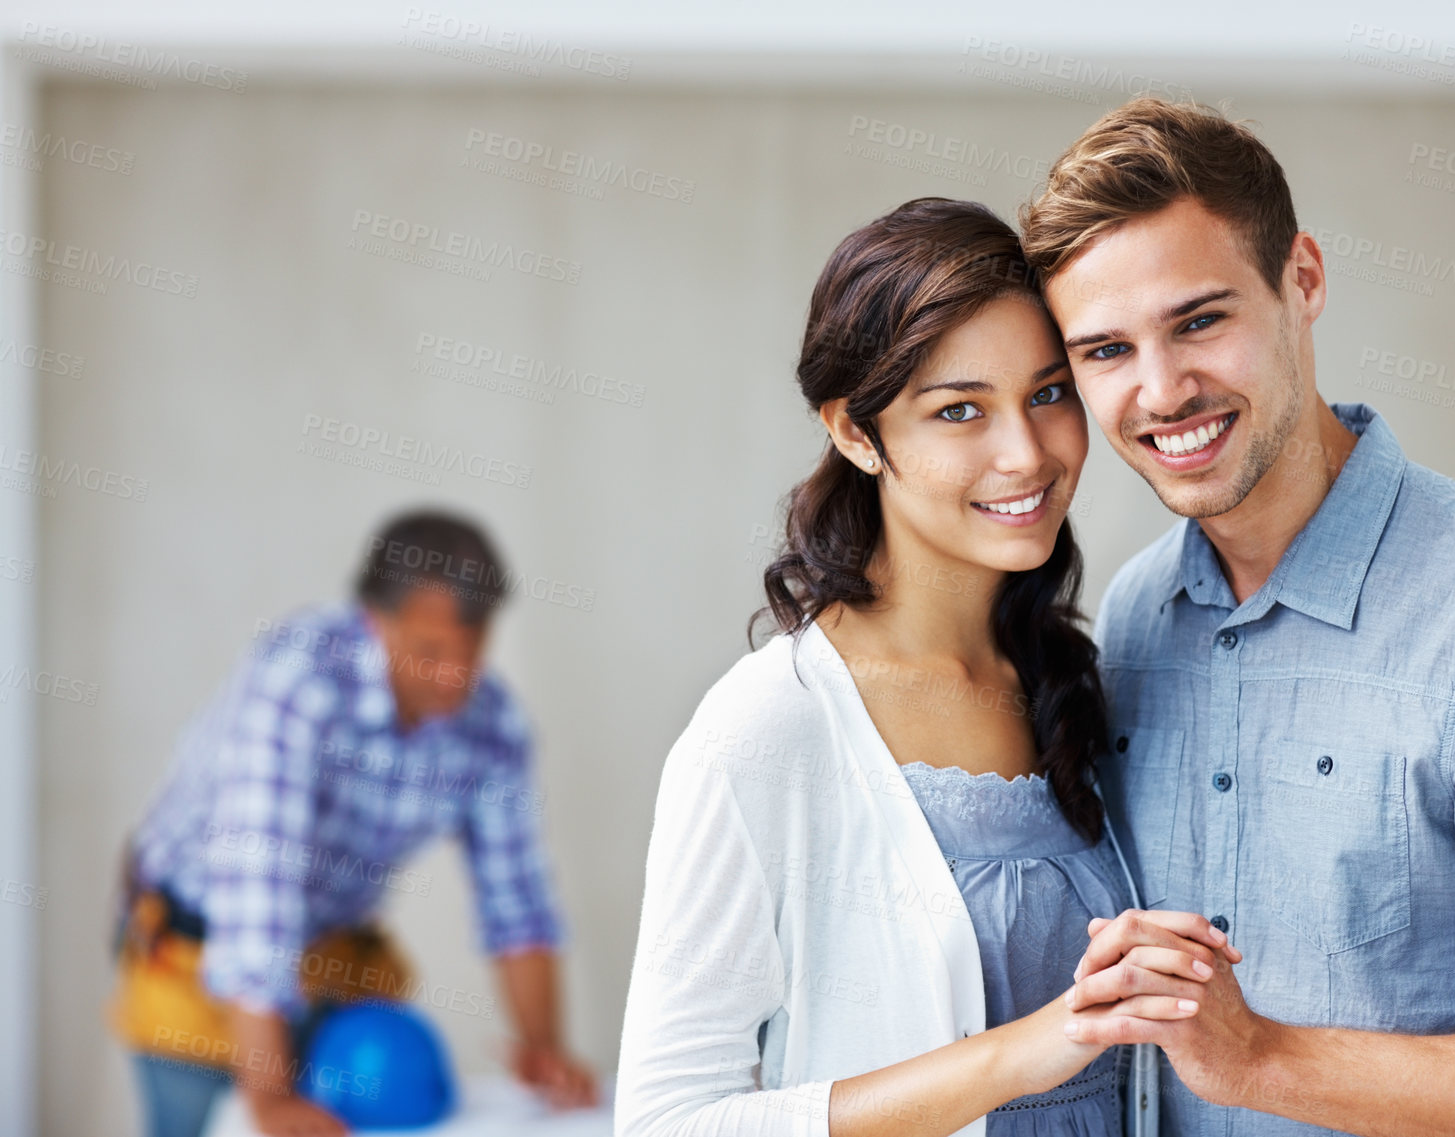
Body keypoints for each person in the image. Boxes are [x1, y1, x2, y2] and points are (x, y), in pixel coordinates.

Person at [1015, 97, 1455, 1136]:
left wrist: (1261, 1058)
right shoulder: (1132, 617)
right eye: (1105, 351)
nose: (1161, 391)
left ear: (1300, 279)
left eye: (1199, 320)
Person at [614, 198, 1240, 1137]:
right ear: (856, 433)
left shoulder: (1078, 677)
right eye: (958, 410)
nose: (1025, 453)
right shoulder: (768, 728)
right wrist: (1022, 1051)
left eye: (1046, 393)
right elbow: (667, 1120)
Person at [109, 509, 600, 1137]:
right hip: (196, 949)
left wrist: (545, 1050)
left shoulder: (493, 726)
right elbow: (258, 888)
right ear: (376, 621)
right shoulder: (299, 684)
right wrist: (269, 1099)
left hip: (332, 958)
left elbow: (518, 906)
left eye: (472, 651)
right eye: (430, 651)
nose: (455, 677)